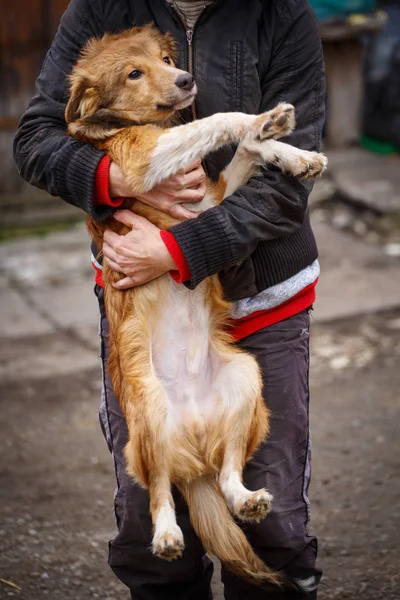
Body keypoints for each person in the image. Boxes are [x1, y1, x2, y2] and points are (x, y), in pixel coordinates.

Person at [14, 1, 326, 599]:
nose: (168, 74)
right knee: (151, 542)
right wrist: (116, 180)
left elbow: (290, 180)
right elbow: (36, 139)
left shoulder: (281, 12)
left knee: (277, 526)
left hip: (261, 296)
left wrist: (178, 250)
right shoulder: (101, 7)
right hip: (143, 309)